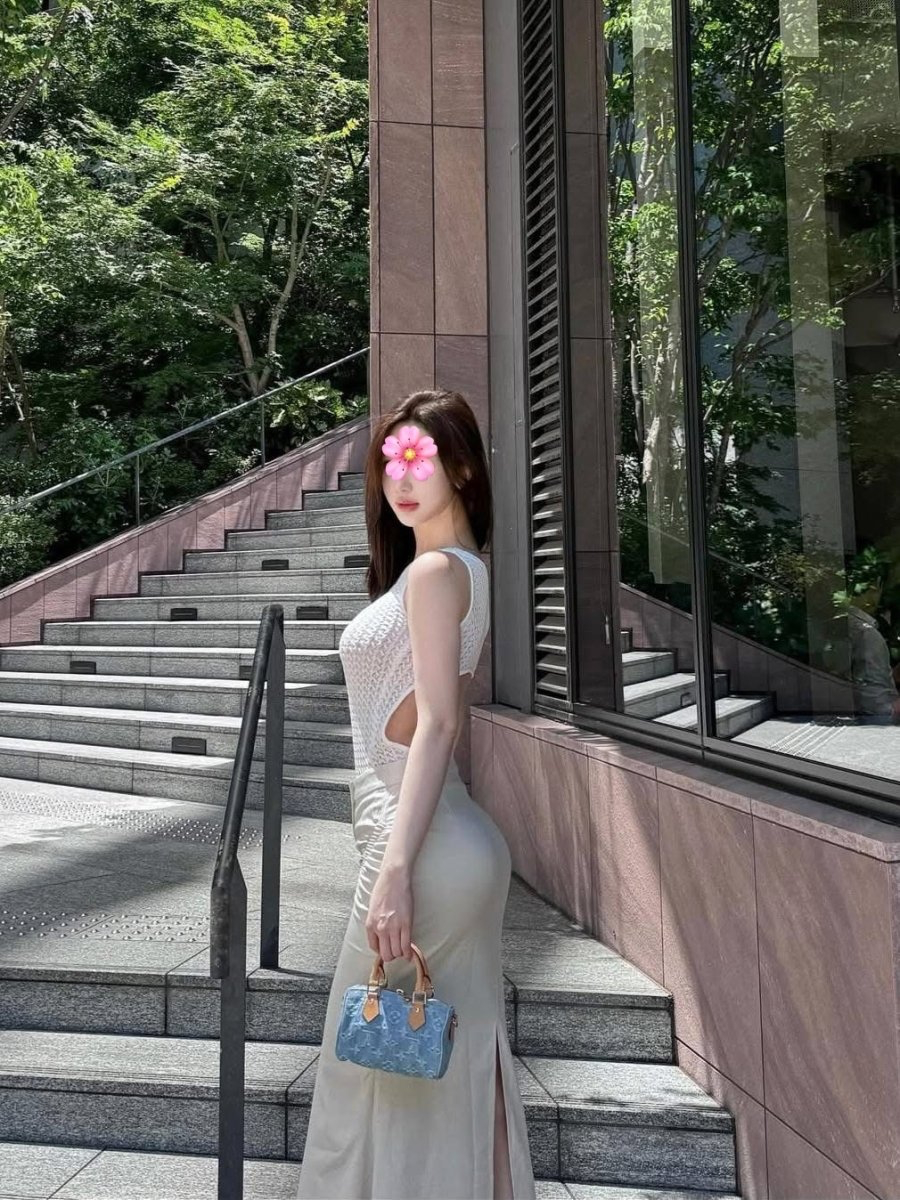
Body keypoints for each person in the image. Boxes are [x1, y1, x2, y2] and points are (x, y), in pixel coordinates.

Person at [296, 389, 537, 1200]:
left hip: (420, 843)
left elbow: (438, 724)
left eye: (419, 460)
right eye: (390, 462)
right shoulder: (459, 568)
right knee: (449, 1070)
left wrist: (395, 872)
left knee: (368, 1077)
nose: (400, 479)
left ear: (461, 468)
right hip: (439, 839)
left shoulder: (436, 572)